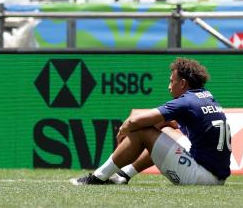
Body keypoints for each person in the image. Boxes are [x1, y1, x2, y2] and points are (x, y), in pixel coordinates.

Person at [71, 58, 231, 186]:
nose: (169, 87)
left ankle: (97, 178)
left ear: (182, 83)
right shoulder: (207, 97)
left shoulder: (186, 102)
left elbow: (134, 121)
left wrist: (123, 131)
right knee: (165, 130)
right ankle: (124, 175)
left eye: (171, 81)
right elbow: (181, 124)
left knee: (142, 131)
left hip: (201, 177)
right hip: (217, 176)